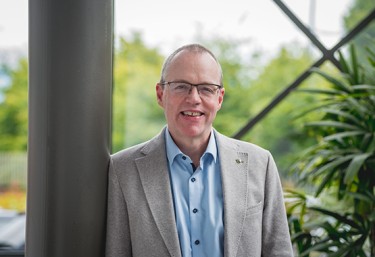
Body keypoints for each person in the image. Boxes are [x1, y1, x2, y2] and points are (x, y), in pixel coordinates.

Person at [106, 43, 294, 257]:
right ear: (160, 94)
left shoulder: (260, 164)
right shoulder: (122, 170)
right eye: (181, 86)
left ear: (219, 98)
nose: (194, 98)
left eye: (206, 88)